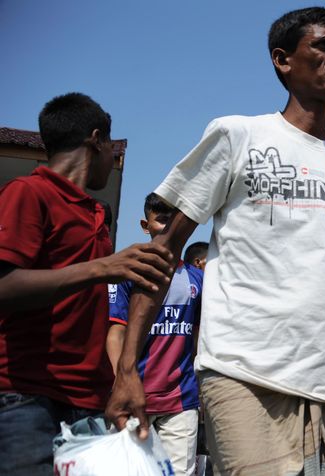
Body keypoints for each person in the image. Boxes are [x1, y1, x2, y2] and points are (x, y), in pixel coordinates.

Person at [106, 7, 325, 476]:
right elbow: (162, 255)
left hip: (322, 388)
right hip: (240, 373)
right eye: (324, 45)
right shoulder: (238, 136)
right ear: (282, 60)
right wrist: (128, 370)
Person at [0, 92, 173, 475]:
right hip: (26, 399)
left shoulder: (95, 211)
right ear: (96, 140)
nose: (114, 156)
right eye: (111, 145)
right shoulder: (28, 194)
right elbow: (4, 288)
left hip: (89, 402)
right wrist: (104, 268)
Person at [106, 193, 203, 476]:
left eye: (174, 220)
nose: (168, 227)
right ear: (144, 225)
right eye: (161, 220)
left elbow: (197, 337)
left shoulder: (198, 279)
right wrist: (119, 381)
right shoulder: (128, 272)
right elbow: (116, 332)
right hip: (132, 398)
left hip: (182, 402)